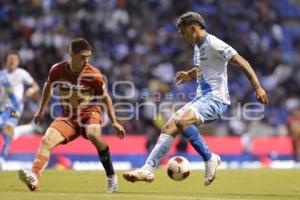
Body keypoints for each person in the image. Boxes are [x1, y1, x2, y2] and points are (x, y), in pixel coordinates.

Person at [123, 11, 269, 186]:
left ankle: (210, 158)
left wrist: (257, 87)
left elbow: (243, 62)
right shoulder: (198, 47)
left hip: (216, 100)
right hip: (202, 98)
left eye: (183, 33)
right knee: (169, 126)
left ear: (193, 29)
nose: (182, 37)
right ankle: (146, 170)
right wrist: (190, 74)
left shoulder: (214, 43)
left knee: (182, 122)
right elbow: (204, 67)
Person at [18, 38, 125, 193]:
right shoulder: (57, 70)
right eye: (82, 57)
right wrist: (41, 110)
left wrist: (114, 122)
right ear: (71, 54)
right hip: (68, 117)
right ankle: (34, 177)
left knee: (93, 134)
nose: (86, 60)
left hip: (89, 112)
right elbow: (48, 87)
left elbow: (105, 97)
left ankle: (111, 178)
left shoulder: (94, 74)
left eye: (88, 56)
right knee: (47, 140)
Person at [0, 51, 40, 163]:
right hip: (2, 107)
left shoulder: (22, 73)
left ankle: (1, 160)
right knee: (9, 133)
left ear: (18, 62)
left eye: (14, 60)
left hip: (15, 107)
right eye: (10, 59)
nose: (12, 62)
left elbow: (35, 86)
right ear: (6, 61)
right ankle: (30, 128)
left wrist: (31, 90)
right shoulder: (1, 75)